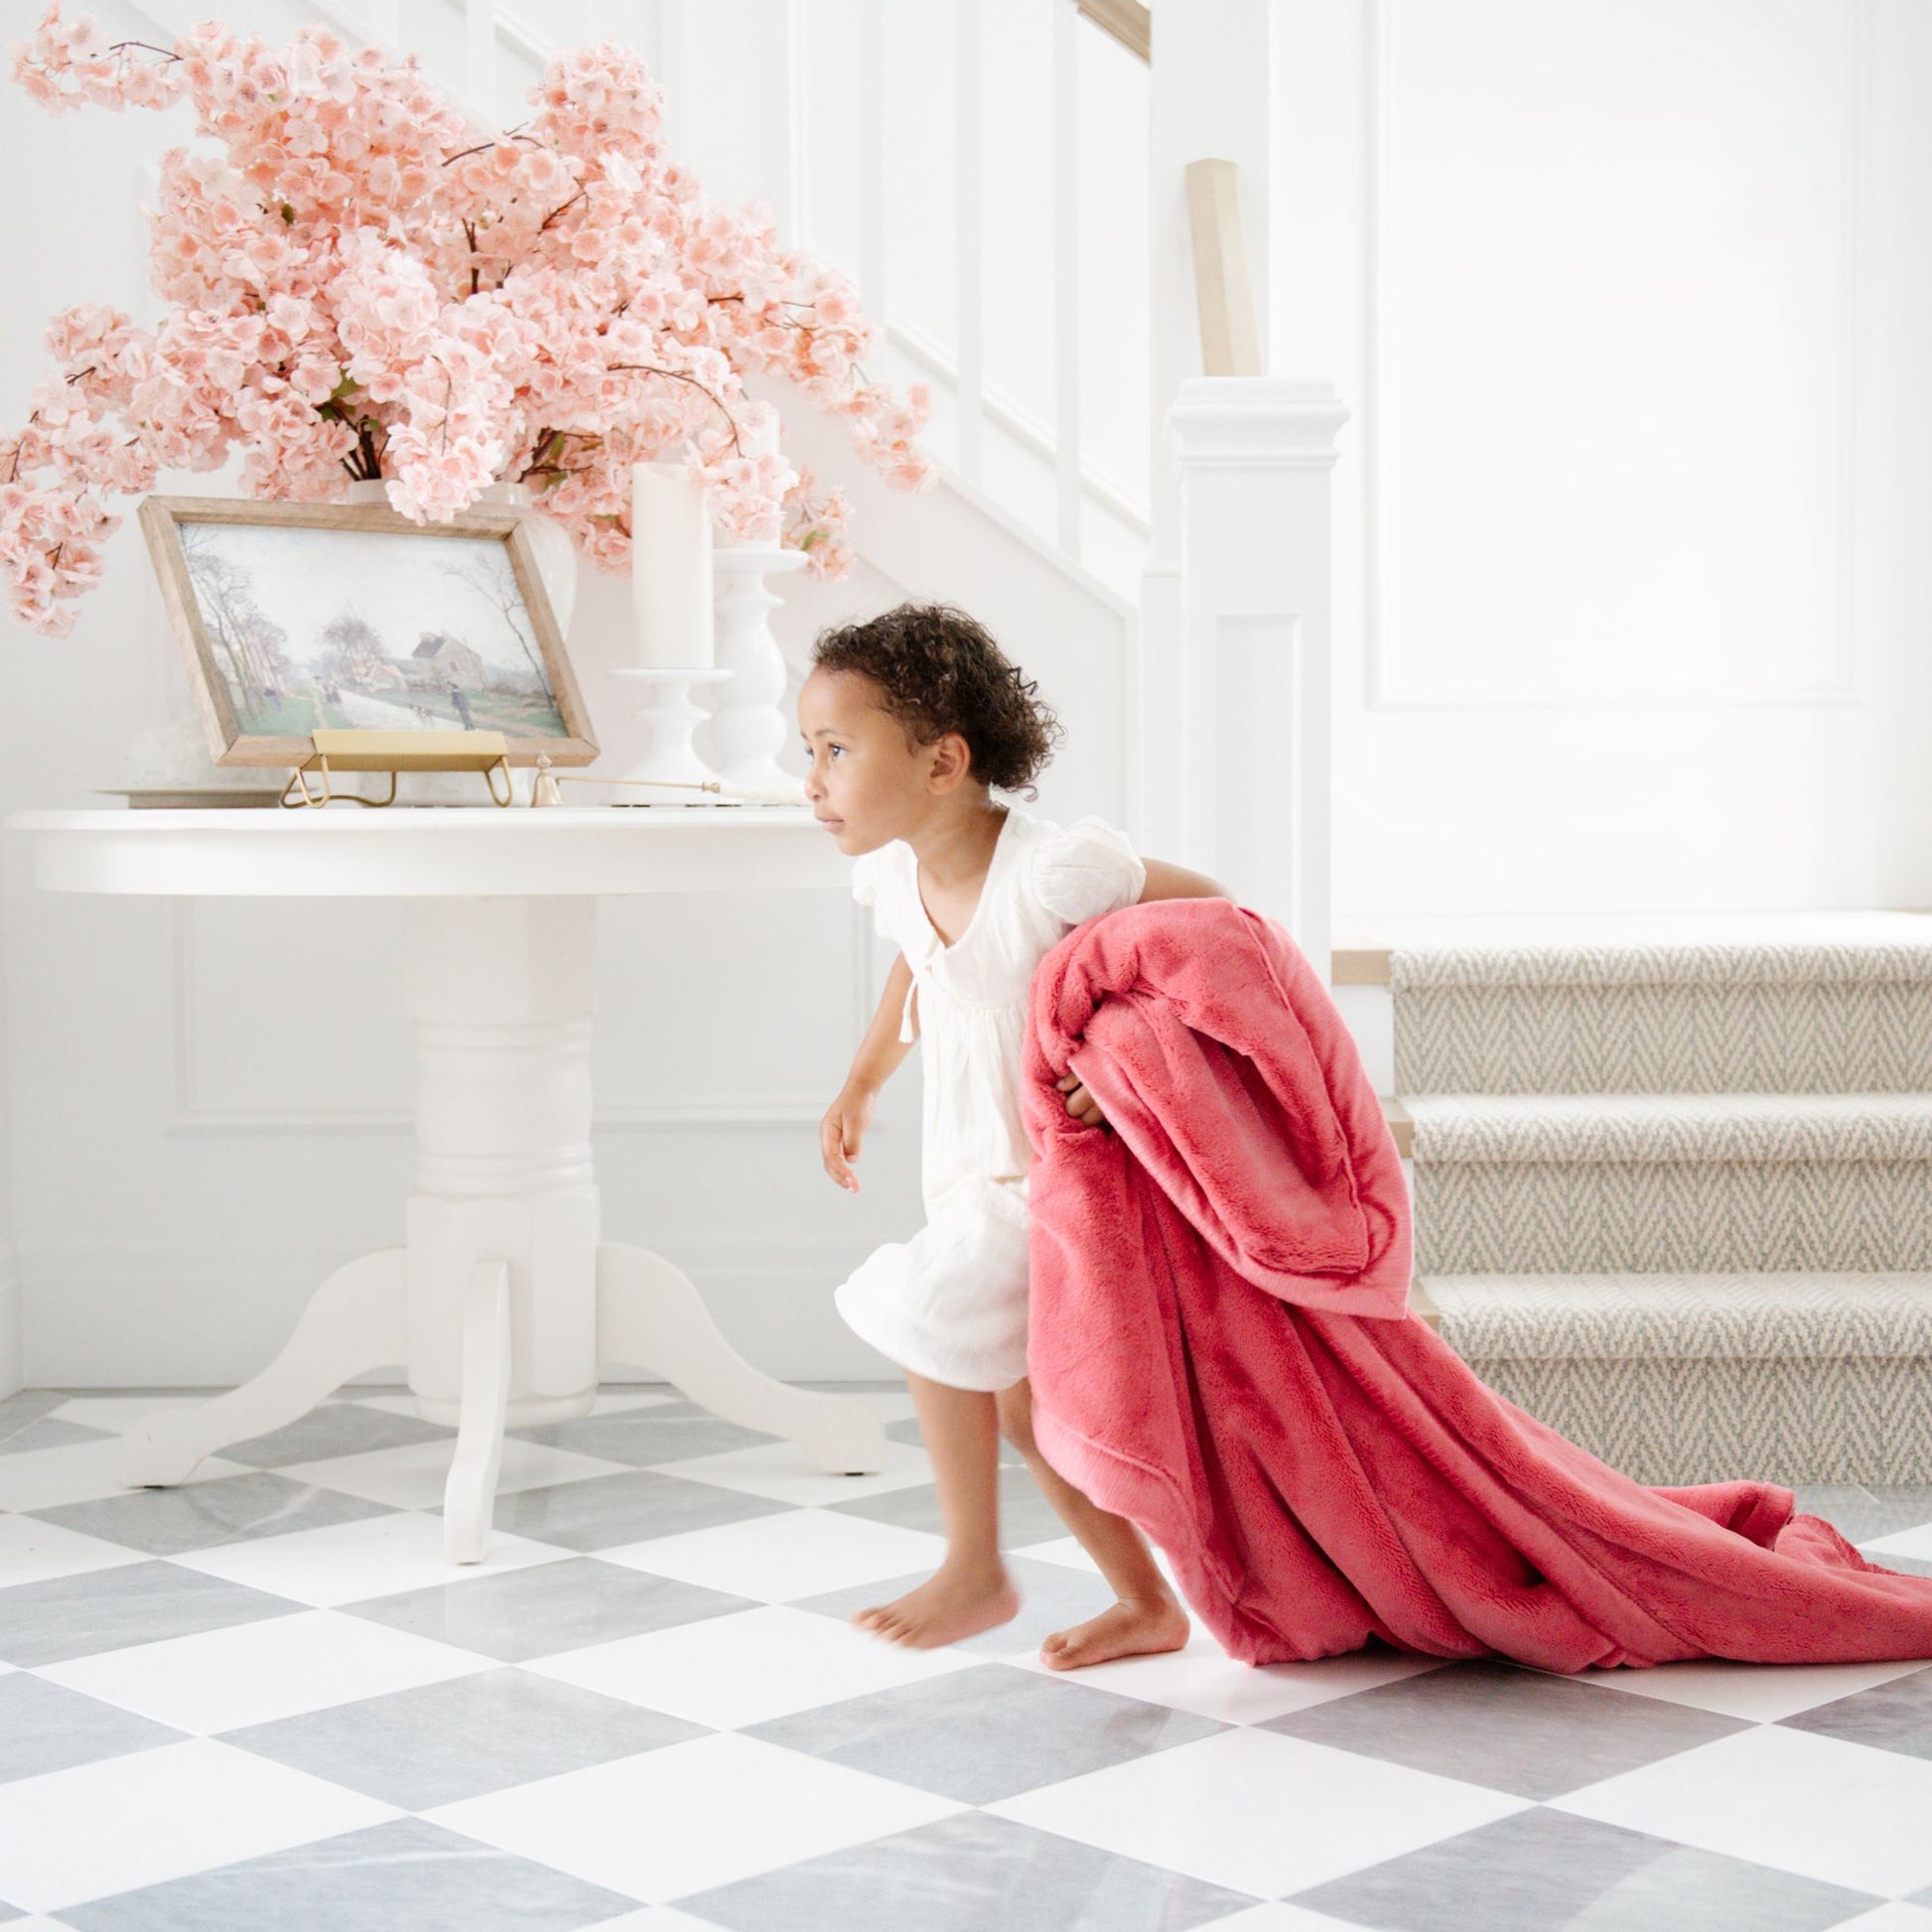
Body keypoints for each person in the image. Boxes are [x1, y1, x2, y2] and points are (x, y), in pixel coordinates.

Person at [802, 601, 1228, 1671]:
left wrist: (1134, 1068)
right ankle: (1146, 1604)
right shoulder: (897, 872)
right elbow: (919, 967)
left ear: (942, 761)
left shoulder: (1052, 872)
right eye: (808, 750)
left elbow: (1212, 924)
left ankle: (974, 1567)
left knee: (924, 1305)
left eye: (836, 750)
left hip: (1052, 1174)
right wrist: (861, 1080)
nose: (812, 778)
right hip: (966, 1169)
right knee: (1026, 1408)